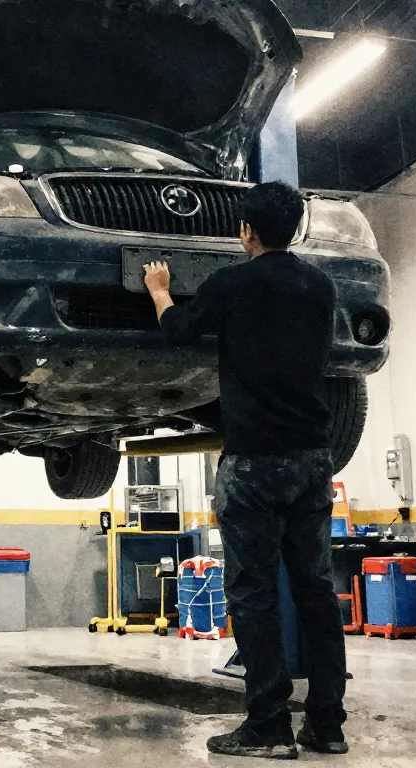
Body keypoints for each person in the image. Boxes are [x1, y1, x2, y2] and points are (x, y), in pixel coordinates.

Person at [143, 181, 348, 761]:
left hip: (254, 461)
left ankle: (268, 727)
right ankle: (327, 726)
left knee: (253, 595)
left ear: (246, 231)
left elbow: (179, 331)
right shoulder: (320, 286)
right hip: (312, 459)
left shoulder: (231, 283)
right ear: (296, 228)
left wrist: (159, 290)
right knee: (315, 592)